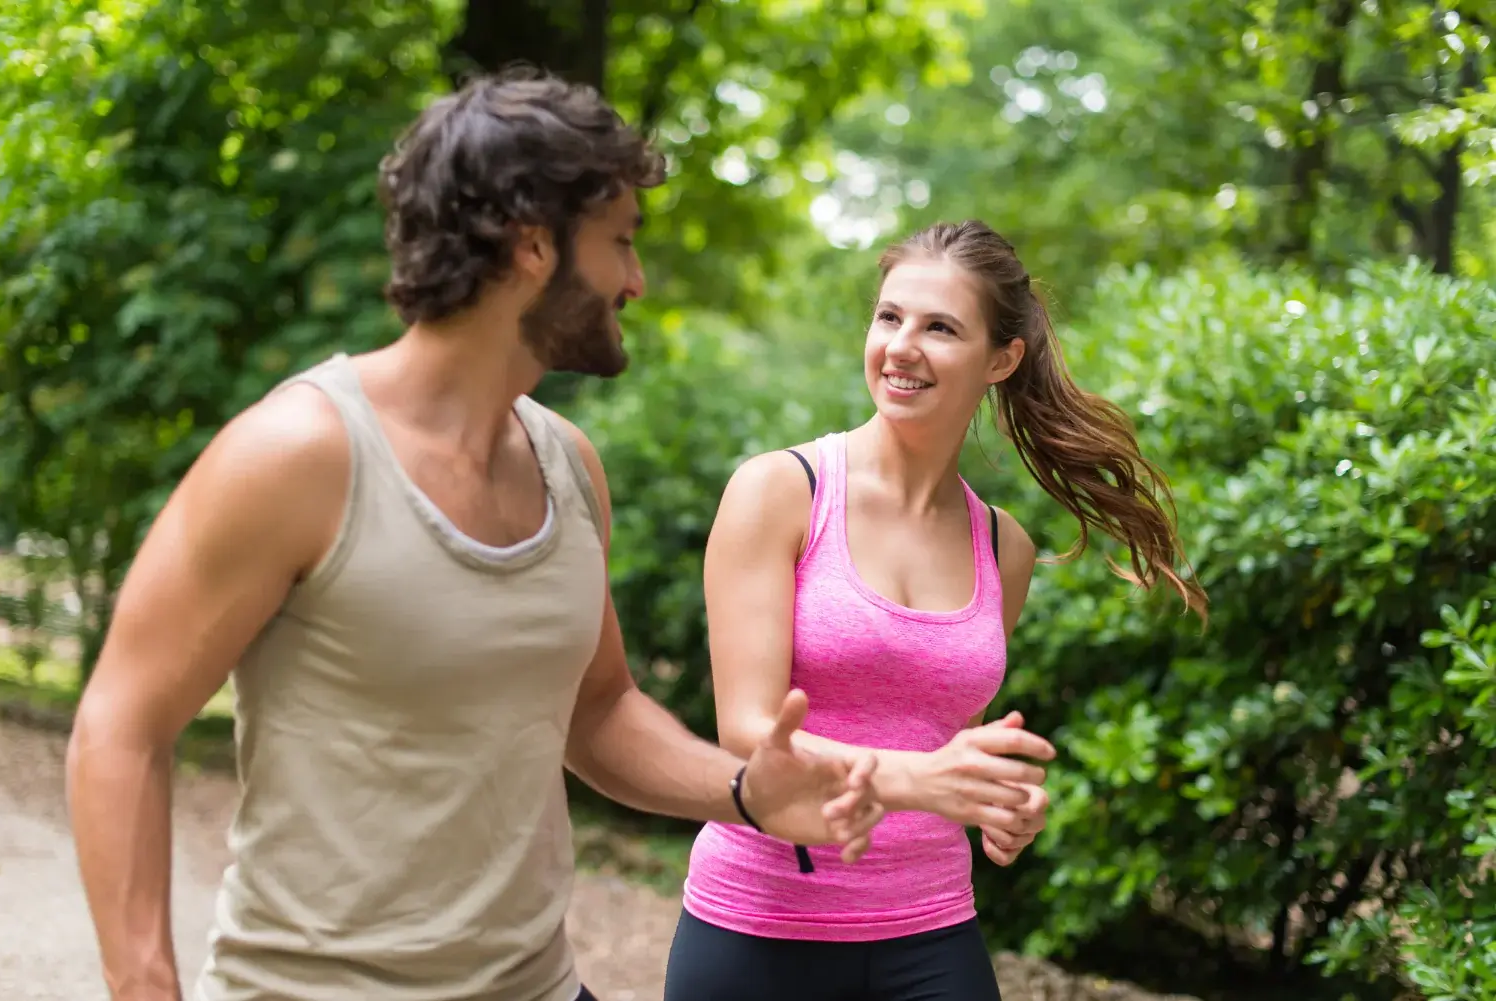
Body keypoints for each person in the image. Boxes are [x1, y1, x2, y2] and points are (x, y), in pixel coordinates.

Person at [63, 68, 886, 1001]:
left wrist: (746, 792)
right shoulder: (297, 454)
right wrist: (143, 986)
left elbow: (599, 709)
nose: (637, 279)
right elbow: (121, 724)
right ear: (534, 245)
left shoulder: (568, 465)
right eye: (619, 243)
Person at [663, 219, 1209, 1001]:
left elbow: (938, 736)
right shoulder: (782, 492)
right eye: (889, 316)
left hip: (930, 927)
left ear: (1001, 359)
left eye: (940, 327)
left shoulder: (1003, 547)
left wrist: (993, 800)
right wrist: (926, 778)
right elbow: (748, 731)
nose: (901, 346)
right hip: (761, 924)